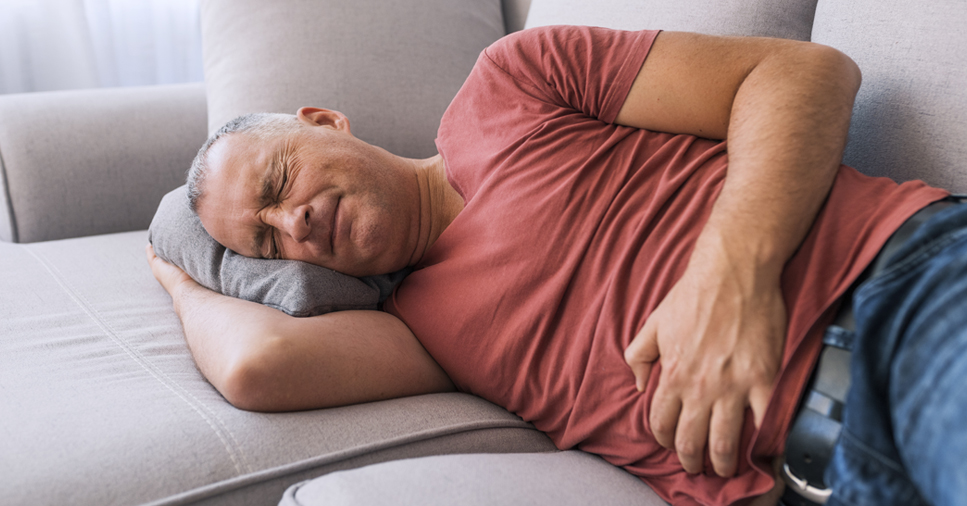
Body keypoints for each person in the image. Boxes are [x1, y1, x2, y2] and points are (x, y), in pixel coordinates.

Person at [146, 26, 964, 506]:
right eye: (266, 244)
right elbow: (257, 368)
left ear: (324, 120)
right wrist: (176, 270)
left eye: (281, 182)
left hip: (899, 300)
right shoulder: (417, 329)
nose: (296, 225)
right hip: (822, 480)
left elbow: (802, 71)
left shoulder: (511, 83)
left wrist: (729, 280)